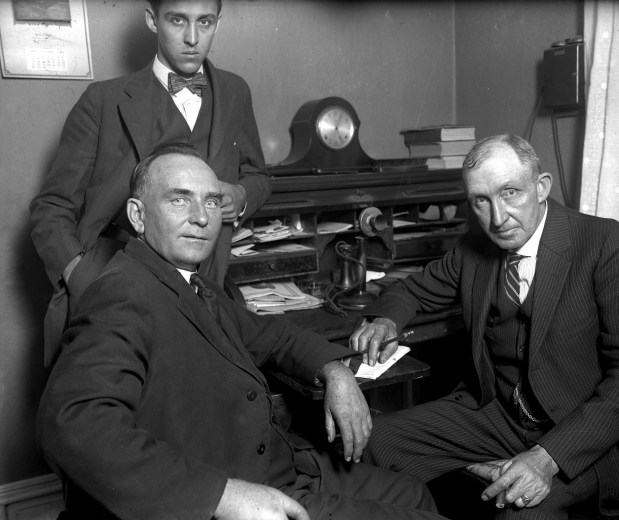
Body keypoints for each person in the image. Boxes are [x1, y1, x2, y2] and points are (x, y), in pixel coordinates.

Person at [36, 143, 446, 520]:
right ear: (138, 216)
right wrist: (223, 497)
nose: (200, 218)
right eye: (179, 199)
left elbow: (274, 334)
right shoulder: (123, 294)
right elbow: (73, 425)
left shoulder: (191, 283)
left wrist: (336, 371)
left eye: (211, 202)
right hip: (229, 493)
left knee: (414, 494)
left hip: (274, 467)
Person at [350, 134, 619, 519]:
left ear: (541, 188)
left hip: (578, 432)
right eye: (481, 200)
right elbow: (413, 291)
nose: (497, 217)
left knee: (518, 514)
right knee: (375, 441)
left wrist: (546, 459)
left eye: (510, 192)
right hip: (500, 415)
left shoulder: (604, 243)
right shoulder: (474, 248)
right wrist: (384, 319)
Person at [29, 0, 270, 366]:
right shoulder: (102, 100)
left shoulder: (236, 92)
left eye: (204, 22)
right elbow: (52, 207)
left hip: (207, 287)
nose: (192, 38)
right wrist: (78, 273)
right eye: (177, 20)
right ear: (152, 20)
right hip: (114, 282)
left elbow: (259, 177)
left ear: (217, 24)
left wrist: (241, 194)